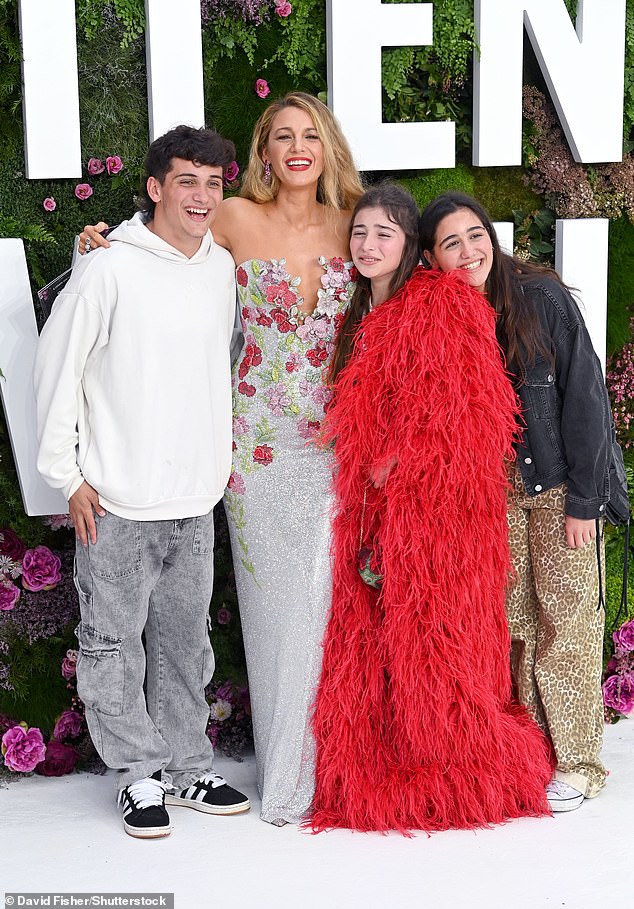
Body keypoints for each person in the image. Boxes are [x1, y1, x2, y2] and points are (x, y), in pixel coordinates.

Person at [79, 92, 365, 826]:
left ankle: (337, 767)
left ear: (328, 146)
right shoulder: (233, 216)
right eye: (281, 136)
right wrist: (97, 244)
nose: (297, 148)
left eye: (310, 135)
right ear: (263, 152)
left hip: (336, 442)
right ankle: (287, 777)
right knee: (277, 612)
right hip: (251, 448)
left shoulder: (354, 221)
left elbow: (402, 291)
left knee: (334, 607)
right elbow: (162, 252)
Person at [310, 183, 553, 833]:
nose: (368, 244)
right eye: (359, 232)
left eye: (384, 233)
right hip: (385, 518)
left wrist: (401, 462)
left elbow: (476, 420)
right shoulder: (365, 312)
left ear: (410, 244)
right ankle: (410, 762)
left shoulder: (440, 303)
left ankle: (470, 770)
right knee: (390, 657)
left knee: (441, 661)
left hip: (441, 522)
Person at [34, 125, 250, 839]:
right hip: (119, 501)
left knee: (186, 644)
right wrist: (68, 475)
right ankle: (137, 774)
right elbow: (56, 369)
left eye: (214, 182)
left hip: (195, 498)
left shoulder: (220, 267)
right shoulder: (109, 268)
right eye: (187, 180)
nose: (202, 195)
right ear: (155, 187)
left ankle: (188, 764)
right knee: (113, 642)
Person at [419, 190, 612, 812]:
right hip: (492, 498)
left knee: (569, 624)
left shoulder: (541, 298)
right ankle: (539, 754)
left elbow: (585, 396)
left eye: (476, 235)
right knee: (517, 625)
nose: (469, 250)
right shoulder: (439, 315)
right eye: (453, 243)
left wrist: (586, 499)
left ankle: (580, 762)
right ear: (431, 257)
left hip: (557, 490)